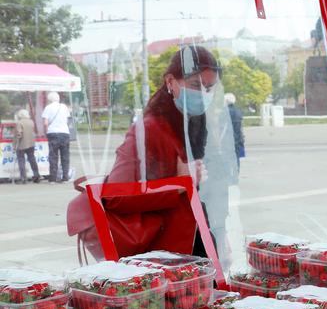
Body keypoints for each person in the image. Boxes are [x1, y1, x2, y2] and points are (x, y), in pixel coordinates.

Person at [67, 44, 235, 262]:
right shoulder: (150, 128)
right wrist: (180, 183)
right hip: (164, 253)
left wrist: (220, 235)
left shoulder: (195, 124)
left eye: (210, 88)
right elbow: (116, 195)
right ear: (170, 82)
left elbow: (208, 193)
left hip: (190, 241)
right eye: (195, 85)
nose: (203, 94)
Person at [41, 91, 71, 182]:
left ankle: (53, 179)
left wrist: (46, 131)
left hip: (53, 133)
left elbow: (45, 123)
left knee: (53, 156)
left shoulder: (48, 108)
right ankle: (65, 177)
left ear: (49, 99)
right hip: (65, 133)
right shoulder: (64, 107)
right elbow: (67, 120)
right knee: (65, 156)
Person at [13, 109, 41, 184]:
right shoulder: (31, 122)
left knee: (21, 160)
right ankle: (36, 175)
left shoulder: (19, 122)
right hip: (31, 143)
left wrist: (15, 145)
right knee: (32, 159)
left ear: (20, 115)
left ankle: (23, 178)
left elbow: (19, 134)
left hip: (22, 144)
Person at [225, 93, 245, 170]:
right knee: (236, 156)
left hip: (227, 139)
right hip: (237, 138)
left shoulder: (225, 112)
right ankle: (236, 171)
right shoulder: (239, 112)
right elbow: (241, 127)